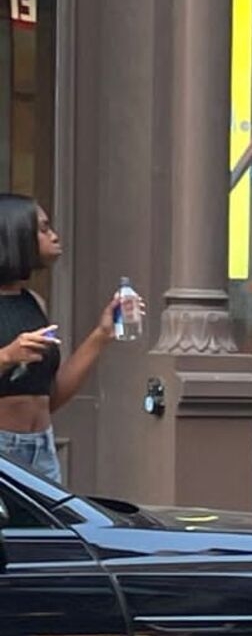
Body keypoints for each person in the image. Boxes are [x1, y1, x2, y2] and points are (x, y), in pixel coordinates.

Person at [0, 196, 141, 487]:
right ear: (16, 235)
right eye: (43, 228)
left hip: (41, 447)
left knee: (46, 534)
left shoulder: (33, 303)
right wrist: (7, 357)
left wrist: (101, 335)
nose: (54, 236)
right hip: (3, 451)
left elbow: (50, 397)